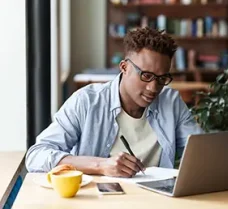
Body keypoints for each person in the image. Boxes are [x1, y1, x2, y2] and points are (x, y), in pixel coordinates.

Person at [25, 27, 202, 177]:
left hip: (156, 200)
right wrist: (100, 166)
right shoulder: (87, 101)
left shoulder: (171, 101)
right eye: (146, 76)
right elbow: (36, 155)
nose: (153, 87)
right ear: (124, 67)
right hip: (97, 201)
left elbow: (201, 151)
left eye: (162, 78)